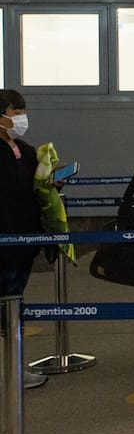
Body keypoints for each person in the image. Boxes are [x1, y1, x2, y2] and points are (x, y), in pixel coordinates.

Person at [0, 88, 57, 389]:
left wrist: (51, 182)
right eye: (15, 111)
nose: (21, 117)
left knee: (14, 306)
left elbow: (33, 187)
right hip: (5, 240)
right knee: (7, 307)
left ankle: (15, 369)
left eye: (23, 110)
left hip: (25, 240)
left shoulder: (24, 149)